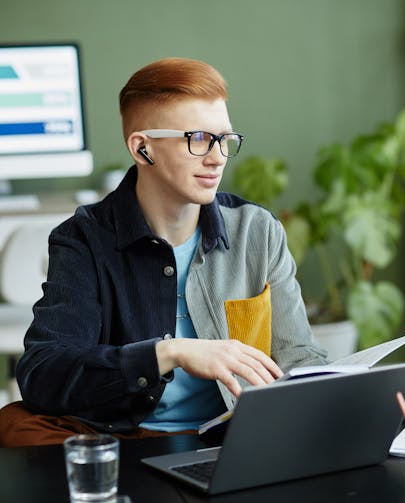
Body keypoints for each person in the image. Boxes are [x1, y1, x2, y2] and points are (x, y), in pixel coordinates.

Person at [0, 57, 327, 447]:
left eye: (224, 139)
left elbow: (300, 358)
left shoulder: (258, 231)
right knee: (14, 424)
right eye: (199, 139)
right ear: (143, 149)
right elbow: (44, 372)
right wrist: (167, 353)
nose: (217, 157)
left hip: (229, 434)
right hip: (120, 436)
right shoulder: (83, 239)